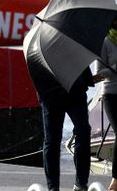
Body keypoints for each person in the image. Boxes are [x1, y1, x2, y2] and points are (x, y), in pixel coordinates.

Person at [37, 68, 94, 191]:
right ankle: (53, 187)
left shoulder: (72, 47)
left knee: (83, 131)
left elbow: (79, 57)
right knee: (52, 140)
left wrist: (88, 79)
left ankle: (81, 183)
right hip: (50, 93)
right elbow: (34, 66)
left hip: (75, 90)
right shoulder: (36, 48)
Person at [95, 16, 117, 191]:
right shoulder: (105, 42)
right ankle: (115, 180)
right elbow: (97, 74)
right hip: (110, 94)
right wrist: (115, 68)